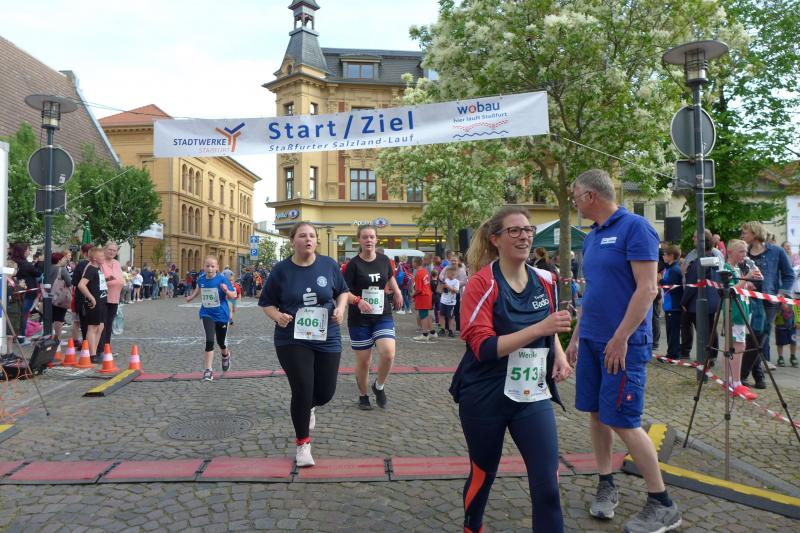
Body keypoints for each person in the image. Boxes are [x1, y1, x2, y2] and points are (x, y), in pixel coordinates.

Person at [565, 169, 681, 533]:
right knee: (597, 414)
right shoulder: (591, 237)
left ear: (591, 196)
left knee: (623, 419)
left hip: (623, 344)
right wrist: (576, 336)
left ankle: (663, 503)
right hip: (593, 339)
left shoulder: (636, 228)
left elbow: (647, 289)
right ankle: (606, 483)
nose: (574, 202)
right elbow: (593, 292)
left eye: (575, 196)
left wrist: (620, 337)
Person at [453, 206, 572, 532]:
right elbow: (483, 347)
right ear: (496, 239)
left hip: (531, 394)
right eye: (514, 230)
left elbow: (548, 325)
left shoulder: (544, 280)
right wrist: (541, 329)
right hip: (485, 395)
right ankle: (472, 527)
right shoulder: (481, 283)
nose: (524, 236)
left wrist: (559, 353)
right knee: (483, 475)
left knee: (548, 485)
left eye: (528, 230)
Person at [259, 222, 349, 467]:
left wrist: (341, 308)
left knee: (325, 393)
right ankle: (303, 445)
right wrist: (277, 316)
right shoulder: (281, 270)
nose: (308, 239)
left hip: (327, 335)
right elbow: (266, 303)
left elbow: (342, 291)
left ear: (317, 240)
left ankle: (309, 406)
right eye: (302, 235)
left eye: (312, 236)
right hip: (292, 338)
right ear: (292, 241)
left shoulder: (329, 265)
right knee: (302, 388)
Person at [343, 224, 403, 410]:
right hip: (359, 318)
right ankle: (363, 395)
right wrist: (357, 300)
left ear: (376, 239)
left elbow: (390, 277)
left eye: (371, 237)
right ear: (359, 241)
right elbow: (343, 292)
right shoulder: (353, 265)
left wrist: (397, 291)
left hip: (382, 314)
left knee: (388, 353)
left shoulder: (384, 260)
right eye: (364, 237)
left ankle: (379, 386)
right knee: (364, 361)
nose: (368, 240)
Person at [741, 221, 795, 386]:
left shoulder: (776, 251)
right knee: (753, 337)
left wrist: (782, 293)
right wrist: (745, 282)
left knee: (760, 336)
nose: (742, 235)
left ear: (755, 233)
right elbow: (740, 273)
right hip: (749, 299)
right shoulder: (744, 252)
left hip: (770, 300)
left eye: (745, 232)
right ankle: (758, 377)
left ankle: (743, 375)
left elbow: (789, 275)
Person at [185, 256, 236, 381]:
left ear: (217, 267)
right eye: (207, 266)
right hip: (207, 313)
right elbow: (198, 290)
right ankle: (208, 370)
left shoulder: (222, 279)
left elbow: (233, 295)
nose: (210, 268)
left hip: (221, 314)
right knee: (209, 340)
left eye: (213, 266)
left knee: (221, 342)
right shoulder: (201, 279)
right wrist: (191, 297)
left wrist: (226, 290)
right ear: (203, 267)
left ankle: (225, 355)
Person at [721, 239, 759, 399]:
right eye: (741, 251)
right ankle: (736, 382)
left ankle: (729, 380)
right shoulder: (726, 268)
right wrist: (746, 278)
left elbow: (739, 287)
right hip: (735, 312)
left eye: (745, 251)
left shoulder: (736, 268)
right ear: (730, 252)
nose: (745, 255)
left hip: (741, 309)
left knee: (732, 346)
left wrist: (748, 284)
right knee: (738, 346)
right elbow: (731, 290)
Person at [681, 233, 721, 367]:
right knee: (710, 329)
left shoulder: (701, 261)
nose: (693, 239)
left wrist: (684, 302)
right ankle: (712, 356)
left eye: (695, 237)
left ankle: (704, 358)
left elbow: (692, 284)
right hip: (712, 300)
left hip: (698, 302)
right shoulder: (713, 257)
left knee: (703, 331)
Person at [77, 246, 108, 359]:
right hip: (95, 303)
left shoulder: (98, 269)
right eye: (101, 256)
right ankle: (92, 354)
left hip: (102, 301)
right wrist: (91, 298)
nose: (104, 257)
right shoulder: (91, 269)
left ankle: (95, 352)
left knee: (100, 327)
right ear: (95, 258)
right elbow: (81, 285)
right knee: (93, 327)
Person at [9, 243, 41, 346]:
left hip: (17, 293)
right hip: (26, 293)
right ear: (22, 252)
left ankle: (14, 337)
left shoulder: (14, 262)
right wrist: (38, 263)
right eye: (27, 250)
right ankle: (21, 338)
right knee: (23, 315)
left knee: (17, 316)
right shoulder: (26, 264)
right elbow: (37, 273)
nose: (29, 252)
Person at [99, 242, 124, 354]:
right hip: (103, 298)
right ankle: (99, 349)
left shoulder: (117, 263)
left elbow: (120, 278)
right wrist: (108, 279)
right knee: (102, 324)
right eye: (110, 249)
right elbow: (95, 279)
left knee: (109, 324)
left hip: (115, 297)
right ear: (104, 249)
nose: (112, 252)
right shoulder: (100, 262)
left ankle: (106, 348)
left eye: (114, 250)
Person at [660, 245, 683, 359]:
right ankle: (671, 352)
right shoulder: (670, 268)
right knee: (670, 330)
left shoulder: (674, 270)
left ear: (671, 256)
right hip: (669, 305)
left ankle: (673, 354)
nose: (663, 256)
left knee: (673, 331)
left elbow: (671, 288)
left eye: (665, 254)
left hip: (673, 305)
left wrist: (660, 281)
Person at [46, 251, 72, 344]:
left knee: (50, 318)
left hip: (48, 296)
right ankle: (57, 339)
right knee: (59, 318)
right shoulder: (62, 270)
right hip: (59, 297)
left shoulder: (47, 268)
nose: (65, 260)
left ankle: (48, 337)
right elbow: (69, 282)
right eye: (63, 258)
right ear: (59, 260)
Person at [410, 257, 434, 341]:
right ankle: (432, 332)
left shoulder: (419, 273)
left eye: (413, 262)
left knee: (423, 316)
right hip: (427, 295)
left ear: (415, 263)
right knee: (426, 315)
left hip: (423, 296)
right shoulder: (424, 271)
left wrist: (412, 295)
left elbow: (419, 290)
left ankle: (425, 334)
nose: (412, 264)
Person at [438, 265, 459, 337]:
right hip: (443, 301)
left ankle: (450, 330)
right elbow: (440, 290)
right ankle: (442, 329)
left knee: (450, 317)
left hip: (451, 303)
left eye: (448, 273)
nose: (446, 274)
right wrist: (442, 287)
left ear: (453, 274)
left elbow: (456, 290)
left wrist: (448, 287)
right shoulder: (445, 280)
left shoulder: (456, 281)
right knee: (442, 315)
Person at [775, 302, 797, 368]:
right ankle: (780, 357)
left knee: (793, 342)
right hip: (780, 326)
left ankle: (793, 356)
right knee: (780, 343)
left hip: (792, 326)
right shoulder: (779, 299)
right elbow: (774, 310)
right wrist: (780, 306)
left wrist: (798, 321)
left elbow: (798, 309)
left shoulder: (795, 300)